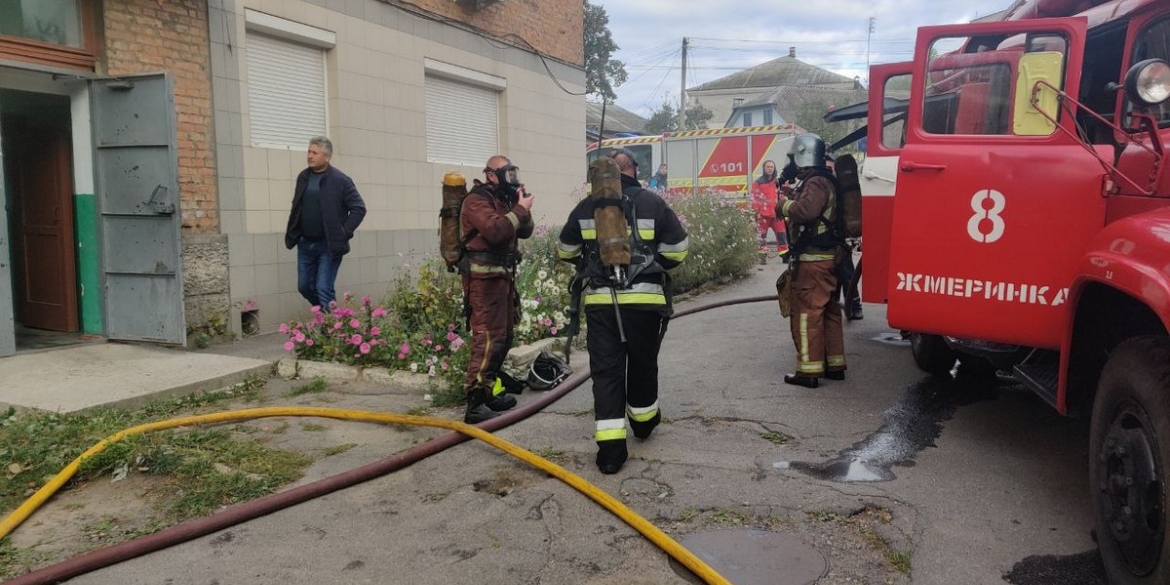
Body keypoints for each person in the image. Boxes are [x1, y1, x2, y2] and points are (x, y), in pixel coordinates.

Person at [558, 148, 689, 474]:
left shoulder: (587, 207)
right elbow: (678, 250)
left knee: (606, 373)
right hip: (645, 303)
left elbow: (565, 249)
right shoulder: (652, 202)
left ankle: (611, 453)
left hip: (602, 304)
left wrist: (590, 262)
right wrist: (654, 265)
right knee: (643, 364)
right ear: (632, 169)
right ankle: (643, 424)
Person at [460, 155, 535, 423]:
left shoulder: (503, 200)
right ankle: (475, 403)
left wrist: (521, 205)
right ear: (492, 175)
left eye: (514, 173)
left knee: (503, 337)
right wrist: (519, 210)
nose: (512, 178)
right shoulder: (476, 200)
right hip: (483, 282)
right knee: (487, 339)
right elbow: (495, 231)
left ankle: (489, 391)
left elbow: (524, 231)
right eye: (507, 173)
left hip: (503, 279)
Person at [776, 134, 846, 388]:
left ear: (803, 156)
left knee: (807, 314)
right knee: (829, 312)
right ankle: (834, 365)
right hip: (829, 259)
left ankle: (808, 372)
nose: (790, 164)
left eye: (793, 158)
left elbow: (805, 211)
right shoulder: (827, 179)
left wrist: (783, 205)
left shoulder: (815, 182)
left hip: (814, 261)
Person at [284, 136, 366, 309]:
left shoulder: (341, 180)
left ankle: (332, 330)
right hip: (305, 244)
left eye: (314, 152)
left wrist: (343, 233)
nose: (310, 156)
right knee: (304, 287)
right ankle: (327, 316)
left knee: (324, 288)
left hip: (329, 245)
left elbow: (359, 208)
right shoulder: (303, 177)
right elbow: (297, 206)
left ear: (327, 157)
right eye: (309, 151)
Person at [750, 160, 789, 261]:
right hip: (763, 215)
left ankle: (784, 255)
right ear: (764, 168)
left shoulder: (777, 182)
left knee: (782, 235)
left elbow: (781, 195)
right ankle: (762, 256)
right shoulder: (757, 183)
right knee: (762, 237)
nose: (770, 169)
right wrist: (757, 212)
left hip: (776, 215)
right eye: (768, 167)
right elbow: (754, 198)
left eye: (772, 167)